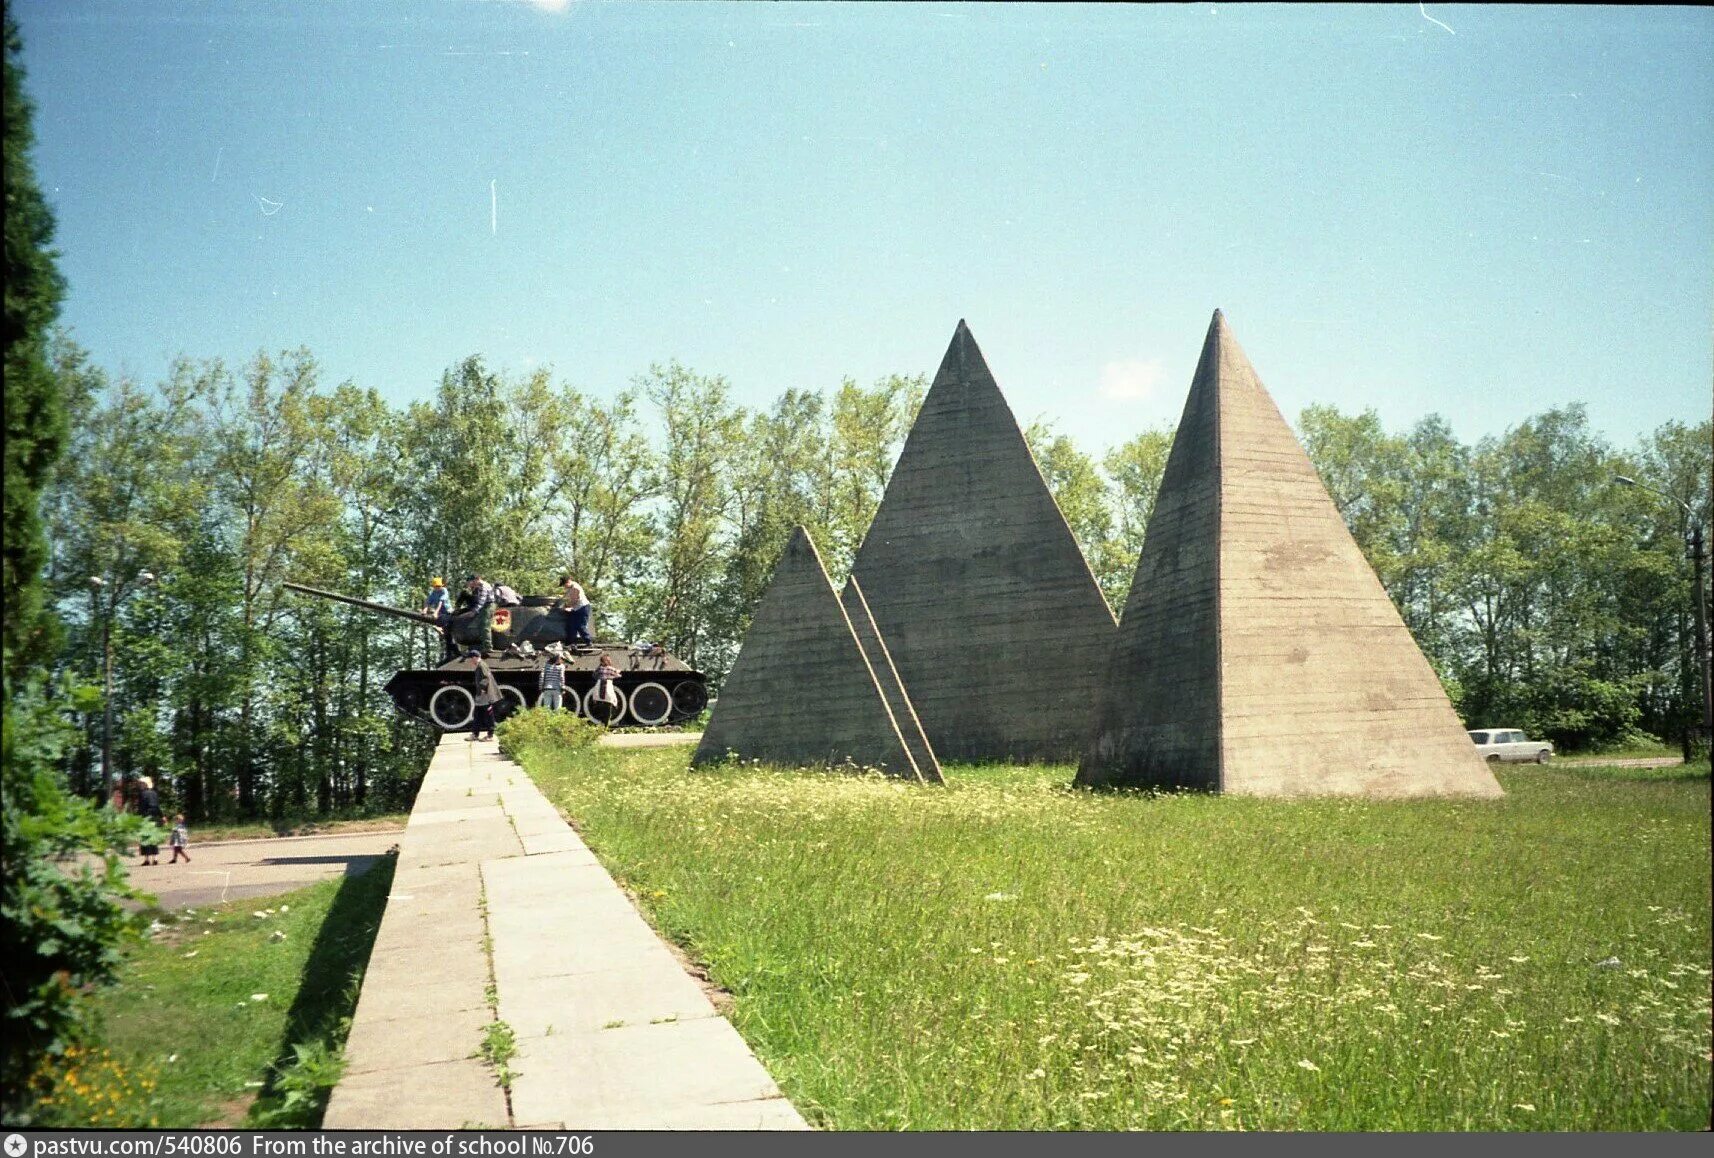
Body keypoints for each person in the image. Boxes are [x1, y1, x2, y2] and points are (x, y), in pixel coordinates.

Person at [467, 648, 501, 741]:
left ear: (474, 657)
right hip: (481, 694)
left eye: (470, 658)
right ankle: (475, 734)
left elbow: (486, 677)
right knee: (478, 714)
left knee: (488, 714)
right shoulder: (481, 665)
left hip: (484, 694)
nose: (470, 661)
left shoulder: (481, 665)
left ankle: (490, 735)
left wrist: (482, 688)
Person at [137, 776, 164, 866]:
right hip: (155, 816)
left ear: (145, 784)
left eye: (141, 783)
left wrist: (138, 817)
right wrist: (162, 816)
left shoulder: (142, 794)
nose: (140, 785)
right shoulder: (154, 793)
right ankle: (155, 858)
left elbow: (141, 807)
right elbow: (157, 806)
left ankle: (147, 859)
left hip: (145, 817)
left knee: (145, 838)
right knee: (153, 838)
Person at [465, 575, 496, 653]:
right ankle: (483, 644)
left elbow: (482, 601)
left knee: (485, 625)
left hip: (488, 605)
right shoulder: (478, 587)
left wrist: (474, 611)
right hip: (484, 606)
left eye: (471, 583)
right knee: (480, 625)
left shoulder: (483, 586)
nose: (471, 585)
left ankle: (488, 646)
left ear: (476, 580)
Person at [560, 575, 592, 648]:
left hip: (582, 607)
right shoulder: (570, 587)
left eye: (564, 585)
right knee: (571, 624)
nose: (564, 587)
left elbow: (576, 600)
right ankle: (571, 642)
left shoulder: (575, 588)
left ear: (568, 582)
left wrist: (570, 608)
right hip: (576, 608)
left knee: (580, 625)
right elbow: (566, 596)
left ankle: (588, 642)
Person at [591, 652, 621, 725]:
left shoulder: (599, 668)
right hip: (607, 687)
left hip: (599, 687)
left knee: (601, 704)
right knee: (608, 704)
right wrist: (615, 673)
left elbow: (594, 675)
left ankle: (602, 721)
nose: (609, 661)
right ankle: (606, 723)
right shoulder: (611, 669)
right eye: (608, 660)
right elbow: (618, 675)